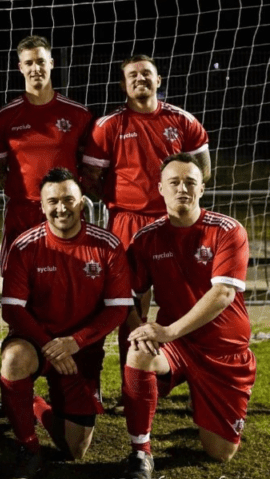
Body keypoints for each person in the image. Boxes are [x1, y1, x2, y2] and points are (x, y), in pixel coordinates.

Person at [81, 55, 211, 390]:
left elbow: (203, 169)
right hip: (126, 221)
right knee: (126, 302)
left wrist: (177, 202)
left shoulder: (182, 121)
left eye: (147, 74)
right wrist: (118, 200)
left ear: (159, 80)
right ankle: (132, 379)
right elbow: (91, 176)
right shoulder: (107, 125)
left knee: (185, 296)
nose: (140, 79)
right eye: (132, 75)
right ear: (123, 84)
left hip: (172, 223)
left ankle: (187, 371)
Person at [121, 153, 254, 479]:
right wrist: (139, 327)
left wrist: (166, 331)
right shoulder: (146, 239)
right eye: (175, 182)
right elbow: (135, 295)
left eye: (190, 182)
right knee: (139, 351)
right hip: (178, 346)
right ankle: (141, 451)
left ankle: (209, 411)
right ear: (161, 189)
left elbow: (223, 294)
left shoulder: (227, 230)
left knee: (220, 453)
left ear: (202, 189)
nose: (183, 188)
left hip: (224, 349)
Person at [0, 168, 132, 479]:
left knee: (75, 450)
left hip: (80, 349)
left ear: (82, 202)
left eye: (69, 199)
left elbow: (118, 309)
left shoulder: (107, 245)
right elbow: (12, 309)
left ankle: (33, 404)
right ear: (42, 207)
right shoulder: (24, 246)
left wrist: (76, 341)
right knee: (15, 360)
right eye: (53, 201)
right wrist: (50, 346)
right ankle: (28, 449)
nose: (62, 207)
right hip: (35, 341)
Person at [0, 35, 93, 259]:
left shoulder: (78, 115)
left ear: (51, 64)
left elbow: (88, 165)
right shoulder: (4, 118)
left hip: (65, 211)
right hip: (22, 212)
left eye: (41, 61)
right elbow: (0, 169)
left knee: (69, 277)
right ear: (20, 67)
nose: (36, 68)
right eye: (29, 63)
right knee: (17, 283)